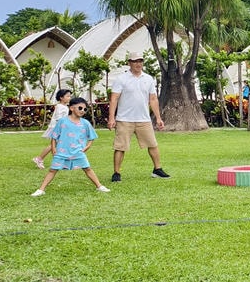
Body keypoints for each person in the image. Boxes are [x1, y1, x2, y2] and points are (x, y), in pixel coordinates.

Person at [107, 53, 168, 182]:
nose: (138, 64)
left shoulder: (148, 79)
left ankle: (157, 169)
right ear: (129, 63)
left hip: (144, 119)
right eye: (135, 61)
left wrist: (158, 118)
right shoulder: (121, 79)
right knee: (120, 146)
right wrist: (111, 118)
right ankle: (116, 173)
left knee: (153, 144)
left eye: (140, 61)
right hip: (124, 119)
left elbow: (153, 99)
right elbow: (114, 98)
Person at [31, 96, 110, 195]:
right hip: (62, 152)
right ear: (71, 108)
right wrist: (54, 149)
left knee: (87, 168)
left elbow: (92, 137)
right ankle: (41, 190)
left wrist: (88, 146)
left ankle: (99, 186)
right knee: (52, 170)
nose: (82, 111)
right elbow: (54, 137)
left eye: (85, 109)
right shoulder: (62, 121)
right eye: (80, 108)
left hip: (78, 152)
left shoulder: (85, 123)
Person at [33, 88, 72, 168]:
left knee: (57, 146)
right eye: (67, 96)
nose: (69, 98)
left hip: (58, 128)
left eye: (69, 96)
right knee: (54, 145)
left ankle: (59, 162)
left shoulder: (63, 107)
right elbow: (59, 118)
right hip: (57, 128)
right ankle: (39, 159)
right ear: (61, 97)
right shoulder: (61, 107)